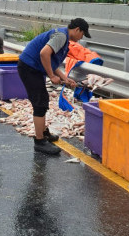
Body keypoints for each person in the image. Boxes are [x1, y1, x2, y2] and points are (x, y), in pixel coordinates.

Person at [17, 18, 91, 155]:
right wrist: (51, 76)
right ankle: (39, 142)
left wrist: (65, 79)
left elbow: (51, 62)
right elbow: (44, 53)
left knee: (42, 100)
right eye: (82, 34)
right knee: (40, 103)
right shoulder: (62, 36)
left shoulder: (63, 37)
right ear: (77, 30)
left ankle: (43, 133)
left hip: (33, 68)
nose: (81, 38)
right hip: (29, 68)